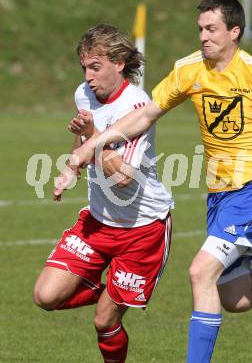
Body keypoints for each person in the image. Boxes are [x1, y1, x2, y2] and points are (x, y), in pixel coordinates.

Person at [55, 0, 252, 362]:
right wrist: (87, 147)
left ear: (234, 32)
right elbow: (145, 116)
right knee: (236, 296)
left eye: (212, 29)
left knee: (200, 272)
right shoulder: (190, 69)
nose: (203, 36)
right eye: (200, 29)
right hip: (220, 196)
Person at [33, 24, 173, 363]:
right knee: (45, 296)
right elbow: (84, 140)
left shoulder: (138, 107)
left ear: (120, 62)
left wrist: (94, 136)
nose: (88, 76)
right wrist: (72, 168)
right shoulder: (84, 94)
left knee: (104, 321)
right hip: (98, 222)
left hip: (143, 229)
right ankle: (108, 289)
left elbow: (124, 179)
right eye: (84, 67)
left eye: (95, 67)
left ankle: (112, 302)